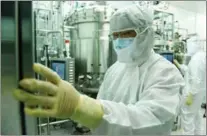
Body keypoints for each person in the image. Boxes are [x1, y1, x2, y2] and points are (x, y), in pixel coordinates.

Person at [13, 5, 184, 135]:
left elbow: (151, 120)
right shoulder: (115, 70)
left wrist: (81, 106)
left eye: (126, 34)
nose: (118, 41)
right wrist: (82, 111)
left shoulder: (165, 72)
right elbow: (100, 106)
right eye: (115, 35)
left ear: (146, 34)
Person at [181, 50, 206, 135]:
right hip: (199, 94)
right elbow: (191, 72)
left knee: (187, 119)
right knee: (197, 116)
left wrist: (191, 95)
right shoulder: (202, 57)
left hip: (192, 94)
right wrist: (180, 66)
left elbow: (195, 79)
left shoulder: (197, 58)